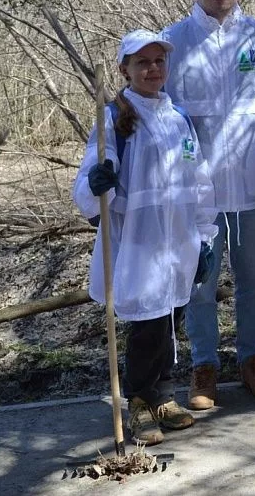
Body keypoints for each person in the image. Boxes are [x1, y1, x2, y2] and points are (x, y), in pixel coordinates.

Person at [162, 0, 255, 407]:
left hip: (254, 185)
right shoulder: (172, 42)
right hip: (198, 192)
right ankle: (204, 366)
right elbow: (159, 115)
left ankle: (252, 359)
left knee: (253, 281)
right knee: (199, 282)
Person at [74, 30, 219, 445]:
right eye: (143, 63)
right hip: (139, 241)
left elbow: (199, 180)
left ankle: (164, 394)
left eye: (159, 62)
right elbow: (91, 176)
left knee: (171, 319)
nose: (153, 69)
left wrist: (205, 235)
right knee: (147, 324)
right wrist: (97, 183)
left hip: (178, 238)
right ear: (126, 69)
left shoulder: (179, 118)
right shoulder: (115, 118)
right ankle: (137, 400)